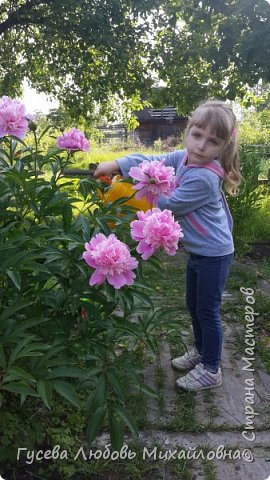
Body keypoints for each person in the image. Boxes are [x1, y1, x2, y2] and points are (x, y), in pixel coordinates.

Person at [94, 99, 242, 391]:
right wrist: (118, 164)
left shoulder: (204, 177)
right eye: (197, 136)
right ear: (187, 132)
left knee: (208, 310)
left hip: (215, 254)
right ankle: (201, 352)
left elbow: (168, 204)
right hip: (200, 252)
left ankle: (211, 369)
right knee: (194, 305)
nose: (201, 146)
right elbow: (152, 163)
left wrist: (126, 188)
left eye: (212, 142)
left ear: (222, 147)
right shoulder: (184, 158)